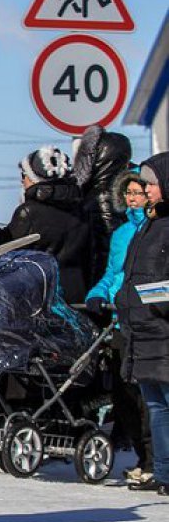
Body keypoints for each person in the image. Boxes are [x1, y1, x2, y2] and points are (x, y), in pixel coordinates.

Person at [85, 171, 152, 484]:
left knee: (145, 395)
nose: (132, 198)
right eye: (128, 192)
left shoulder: (156, 230)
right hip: (117, 318)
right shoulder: (122, 233)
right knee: (122, 393)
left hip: (144, 318)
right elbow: (113, 274)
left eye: (137, 192)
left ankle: (152, 459)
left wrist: (131, 298)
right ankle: (142, 453)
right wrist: (97, 293)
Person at [116, 154, 169, 494]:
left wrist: (155, 299)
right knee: (156, 406)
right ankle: (163, 474)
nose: (146, 190)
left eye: (151, 183)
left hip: (163, 329)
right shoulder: (148, 224)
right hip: (143, 331)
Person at [0, 146, 92, 304]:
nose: (22, 180)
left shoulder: (29, 212)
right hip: (76, 291)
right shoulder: (81, 209)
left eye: (24, 175)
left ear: (34, 178)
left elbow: (7, 251)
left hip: (40, 293)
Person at [75, 124, 134, 286]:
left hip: (103, 282)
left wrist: (96, 285)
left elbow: (104, 248)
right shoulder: (119, 192)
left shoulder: (102, 197)